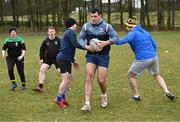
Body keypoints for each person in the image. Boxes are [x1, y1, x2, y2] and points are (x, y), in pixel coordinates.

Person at [100, 17, 175, 101]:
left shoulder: (132, 34)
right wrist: (151, 53)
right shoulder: (145, 32)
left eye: (127, 27)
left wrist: (110, 39)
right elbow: (154, 45)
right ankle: (167, 91)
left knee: (130, 76)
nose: (126, 28)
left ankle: (136, 96)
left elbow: (120, 42)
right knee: (156, 75)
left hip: (142, 58)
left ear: (130, 27)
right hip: (154, 56)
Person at [79, 8, 119, 111]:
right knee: (89, 76)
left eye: (95, 16)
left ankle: (104, 95)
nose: (93, 18)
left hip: (103, 56)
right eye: (91, 16)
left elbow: (116, 38)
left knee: (101, 80)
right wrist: (86, 47)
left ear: (100, 15)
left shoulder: (106, 26)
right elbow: (80, 39)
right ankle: (87, 103)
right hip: (91, 55)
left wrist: (106, 43)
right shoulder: (86, 26)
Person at [54, 18, 84, 109]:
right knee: (66, 79)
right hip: (63, 59)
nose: (76, 26)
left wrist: (73, 61)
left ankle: (63, 98)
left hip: (65, 59)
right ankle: (58, 98)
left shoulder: (67, 32)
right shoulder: (71, 32)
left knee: (69, 78)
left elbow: (68, 48)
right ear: (73, 24)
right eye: (75, 24)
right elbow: (75, 44)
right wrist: (87, 47)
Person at [33, 26, 61, 92]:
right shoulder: (45, 41)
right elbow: (41, 51)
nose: (51, 33)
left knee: (61, 72)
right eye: (50, 32)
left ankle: (65, 85)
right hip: (48, 59)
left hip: (57, 59)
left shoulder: (59, 40)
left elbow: (63, 49)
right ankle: (40, 86)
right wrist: (41, 58)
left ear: (55, 32)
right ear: (48, 33)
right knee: (42, 69)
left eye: (53, 31)